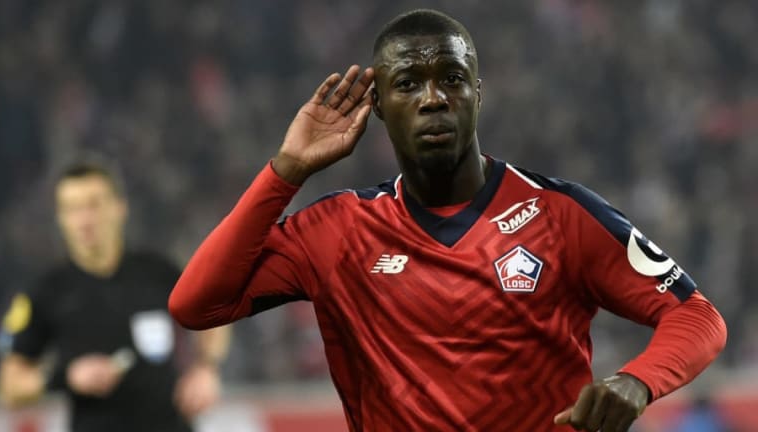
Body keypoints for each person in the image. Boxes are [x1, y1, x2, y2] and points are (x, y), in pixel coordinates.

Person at [168, 9, 727, 432]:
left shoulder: (560, 214)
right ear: (378, 105)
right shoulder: (336, 231)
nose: (433, 98)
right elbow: (196, 305)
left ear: (477, 95)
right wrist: (285, 172)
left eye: (452, 79)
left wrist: (637, 381)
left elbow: (698, 317)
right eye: (408, 83)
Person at [0, 160, 231, 432]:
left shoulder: (157, 271)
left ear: (120, 207)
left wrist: (206, 368)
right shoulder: (45, 291)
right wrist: (64, 376)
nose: (84, 220)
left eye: (93, 204)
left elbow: (216, 310)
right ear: (60, 218)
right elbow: (9, 386)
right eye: (72, 209)